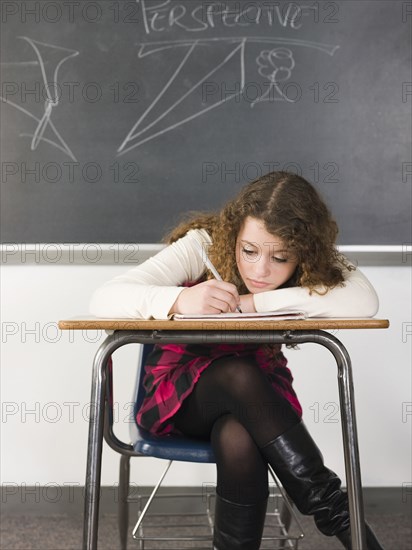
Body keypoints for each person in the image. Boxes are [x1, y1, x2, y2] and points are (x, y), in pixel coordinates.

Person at [90, 171, 384, 550]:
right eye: (249, 251)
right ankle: (339, 514)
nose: (260, 270)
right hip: (179, 399)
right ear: (235, 235)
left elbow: (364, 302)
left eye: (280, 257)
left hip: (260, 405)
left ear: (302, 254)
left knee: (238, 435)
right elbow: (104, 298)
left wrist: (255, 303)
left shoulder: (310, 259)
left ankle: (330, 512)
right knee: (237, 374)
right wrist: (178, 301)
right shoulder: (203, 245)